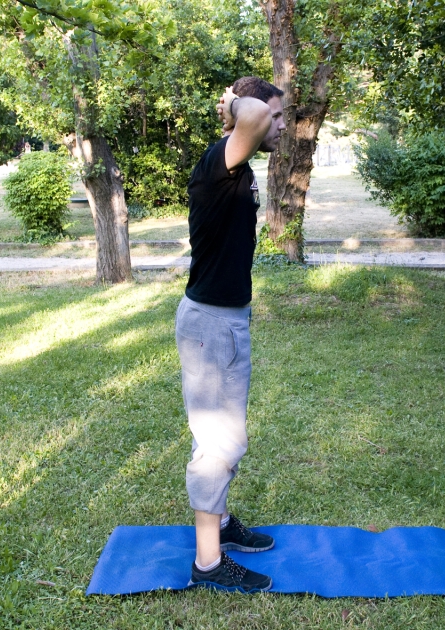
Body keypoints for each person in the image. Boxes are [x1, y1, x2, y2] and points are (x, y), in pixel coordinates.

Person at [175, 77, 286, 593]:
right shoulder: (221, 161)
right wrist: (235, 103)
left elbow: (257, 121)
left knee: (228, 436)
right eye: (276, 116)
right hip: (211, 324)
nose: (280, 126)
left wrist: (247, 110)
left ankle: (220, 525)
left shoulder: (236, 165)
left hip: (226, 320)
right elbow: (255, 119)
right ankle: (208, 564)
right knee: (217, 442)